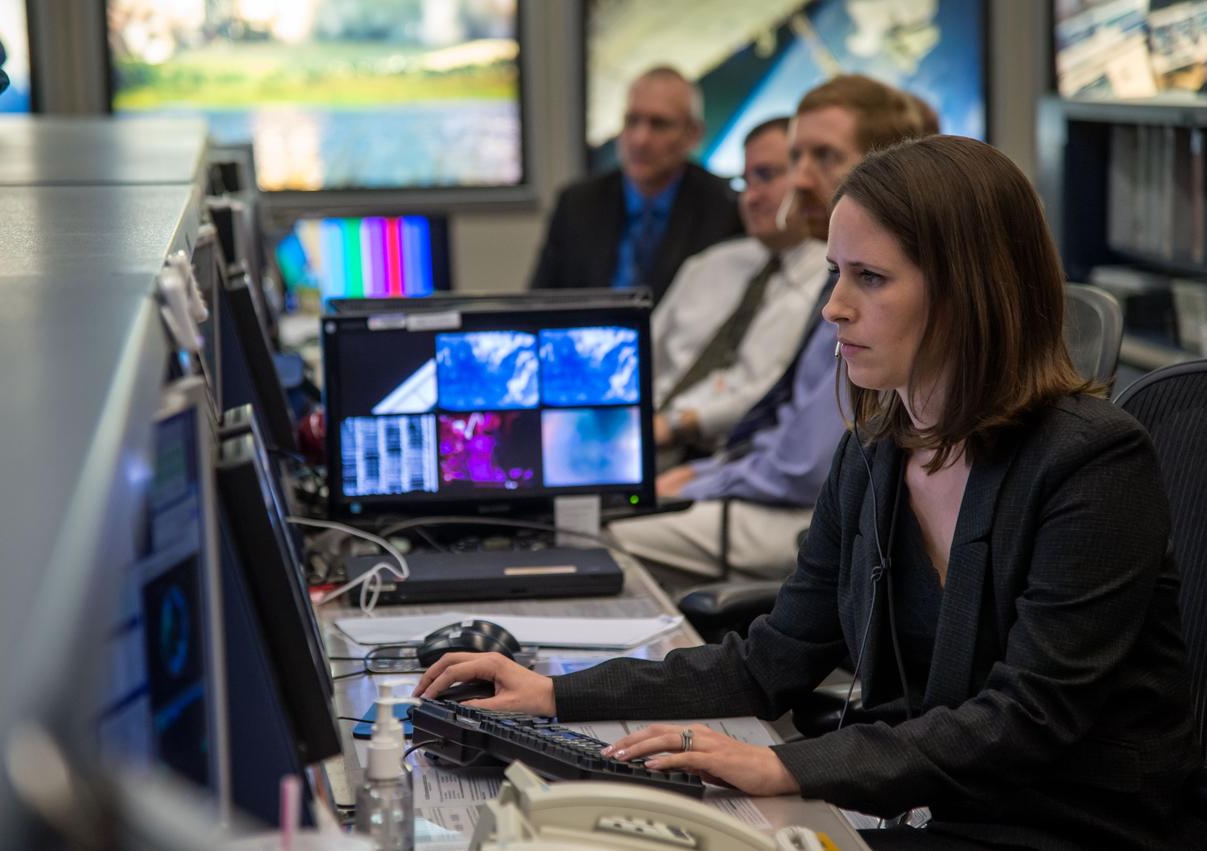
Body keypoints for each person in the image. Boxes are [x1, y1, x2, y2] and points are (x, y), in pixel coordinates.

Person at [416, 136, 1201, 849]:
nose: (833, 306)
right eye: (834, 271)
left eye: (869, 277)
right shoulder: (877, 446)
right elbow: (771, 660)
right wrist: (555, 692)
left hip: (1062, 829)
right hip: (936, 808)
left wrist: (783, 765)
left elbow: (1027, 717)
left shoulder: (1092, 461)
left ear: (969, 291)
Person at [612, 74, 925, 581]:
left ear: (886, 166)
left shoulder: (863, 292)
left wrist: (701, 479)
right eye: (795, 159)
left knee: (603, 544)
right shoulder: (809, 278)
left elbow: (804, 464)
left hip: (808, 511)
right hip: (758, 480)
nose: (799, 181)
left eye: (822, 157)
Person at [651, 116, 827, 459]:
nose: (750, 198)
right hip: (643, 435)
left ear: (806, 177)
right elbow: (645, 355)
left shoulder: (832, 281)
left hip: (727, 454)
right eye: (744, 181)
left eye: (765, 176)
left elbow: (773, 390)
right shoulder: (707, 266)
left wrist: (673, 425)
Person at [528, 66, 741, 303]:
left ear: (693, 134)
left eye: (659, 124)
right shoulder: (578, 204)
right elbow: (539, 303)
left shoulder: (723, 207)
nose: (640, 139)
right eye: (632, 121)